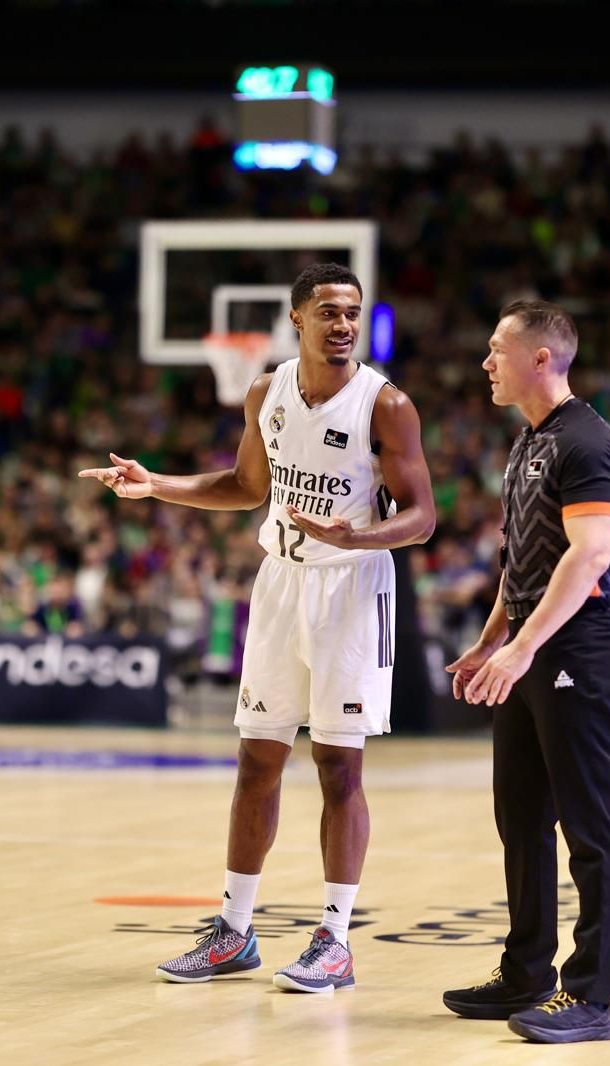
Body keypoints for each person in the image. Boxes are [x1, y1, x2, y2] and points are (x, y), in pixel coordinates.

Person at [78, 263, 435, 992]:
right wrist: (156, 485)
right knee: (256, 760)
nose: (344, 324)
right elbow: (246, 488)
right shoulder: (264, 392)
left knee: (338, 766)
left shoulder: (386, 405)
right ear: (297, 319)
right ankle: (235, 931)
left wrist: (358, 537)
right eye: (329, 312)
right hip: (280, 584)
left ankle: (335, 939)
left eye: (353, 312)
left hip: (351, 590)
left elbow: (423, 517)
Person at [440, 299, 610, 1044]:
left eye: (498, 348)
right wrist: (493, 640)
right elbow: (521, 560)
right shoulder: (529, 441)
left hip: (577, 646)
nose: (486, 361)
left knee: (590, 826)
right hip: (531, 644)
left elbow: (587, 558)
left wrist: (522, 648)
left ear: (541, 358)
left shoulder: (588, 442)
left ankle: (589, 997)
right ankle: (526, 973)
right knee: (520, 817)